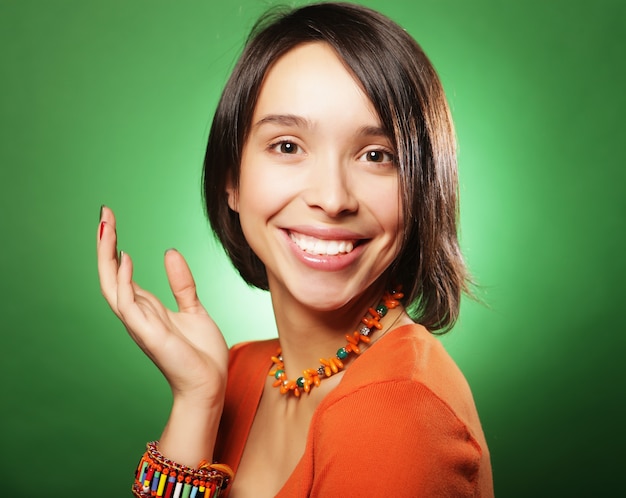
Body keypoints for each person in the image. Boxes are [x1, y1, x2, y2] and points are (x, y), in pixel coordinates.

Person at [97, 2, 493, 496]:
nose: (331, 198)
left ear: (423, 187)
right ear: (231, 180)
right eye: (287, 146)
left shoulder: (397, 413)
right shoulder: (238, 372)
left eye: (377, 155)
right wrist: (197, 400)